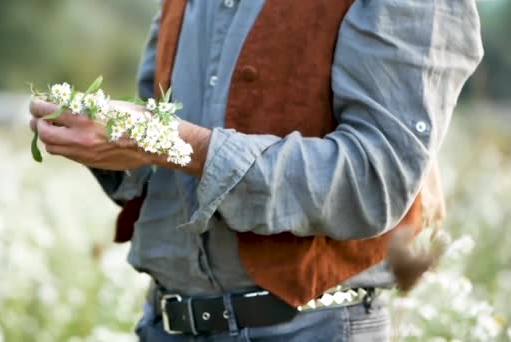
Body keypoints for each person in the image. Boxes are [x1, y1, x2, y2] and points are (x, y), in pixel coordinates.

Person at [29, 0, 483, 340]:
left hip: (311, 329)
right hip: (163, 324)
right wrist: (112, 142)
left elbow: (373, 181)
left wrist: (165, 140)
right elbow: (163, 156)